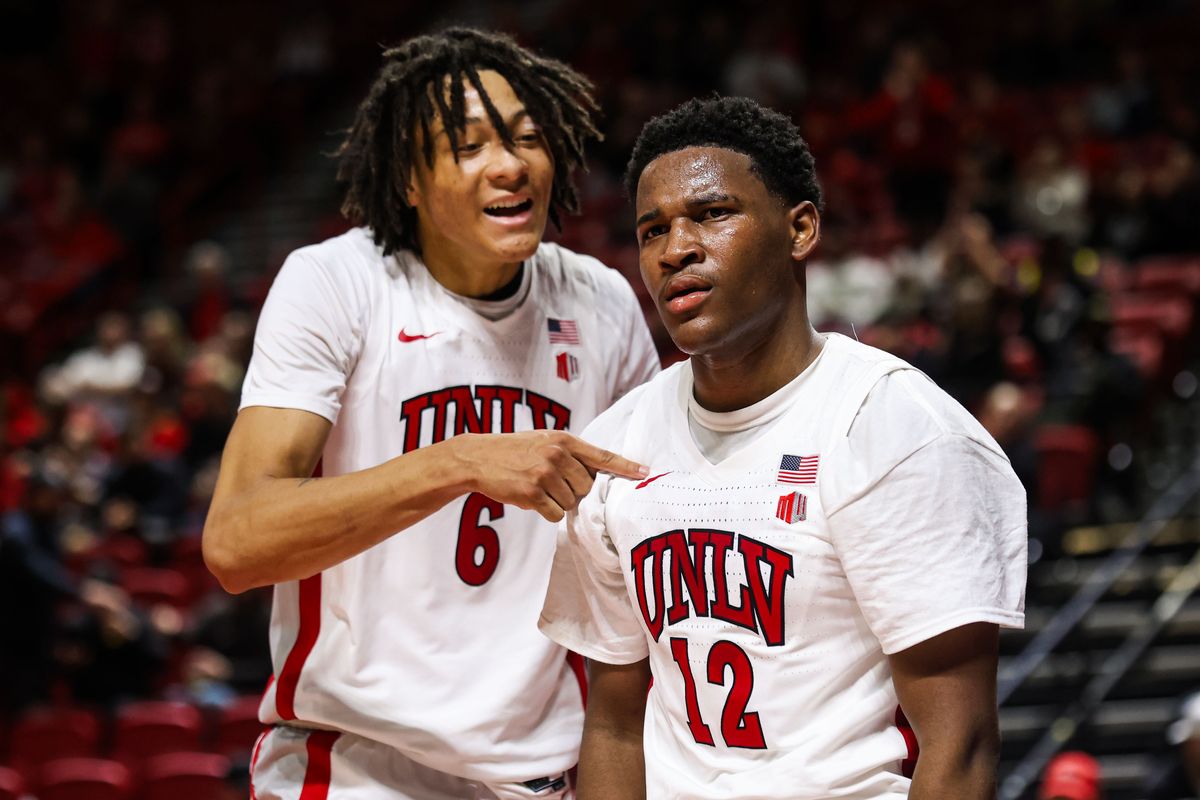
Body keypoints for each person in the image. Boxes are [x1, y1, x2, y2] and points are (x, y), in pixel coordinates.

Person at [202, 28, 659, 800]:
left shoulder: (602, 301)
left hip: (542, 774)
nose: (511, 164)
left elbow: (647, 533)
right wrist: (457, 462)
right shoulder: (337, 283)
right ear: (409, 180)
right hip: (354, 766)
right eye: (469, 145)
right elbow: (238, 540)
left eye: (525, 137)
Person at [538, 96, 1027, 799]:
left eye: (712, 215)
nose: (676, 250)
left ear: (800, 229)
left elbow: (962, 745)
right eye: (652, 230)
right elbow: (615, 721)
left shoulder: (897, 428)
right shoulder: (616, 443)